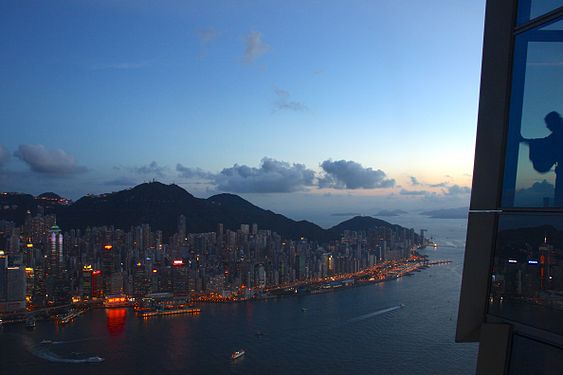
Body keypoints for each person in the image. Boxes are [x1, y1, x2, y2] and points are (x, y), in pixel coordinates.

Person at [521, 111, 563, 205]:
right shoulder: (557, 134)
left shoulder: (558, 134)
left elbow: (545, 142)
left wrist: (527, 141)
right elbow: (545, 142)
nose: (547, 127)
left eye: (548, 124)